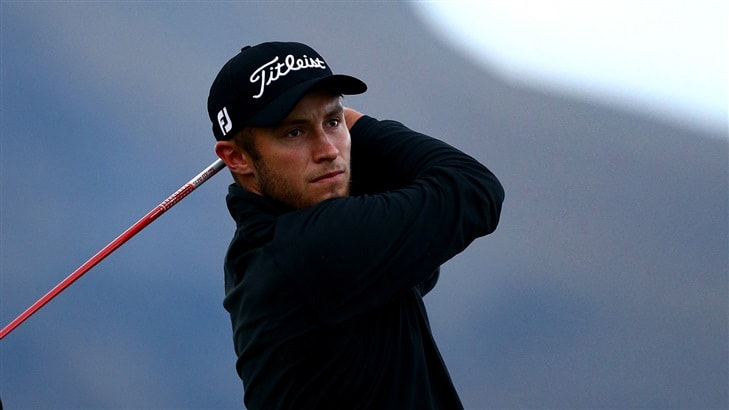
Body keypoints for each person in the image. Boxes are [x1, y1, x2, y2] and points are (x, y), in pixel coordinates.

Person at [207, 41, 504, 409]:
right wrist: (361, 126)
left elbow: (423, 270)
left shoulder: (261, 249)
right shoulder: (312, 246)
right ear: (236, 157)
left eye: (333, 122)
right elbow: (475, 188)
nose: (328, 150)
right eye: (294, 132)